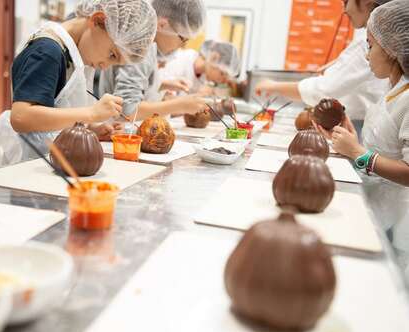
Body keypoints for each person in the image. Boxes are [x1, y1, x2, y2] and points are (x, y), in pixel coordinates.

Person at [0, 0, 157, 166]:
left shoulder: (74, 55)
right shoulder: (47, 51)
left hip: (53, 162)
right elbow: (21, 117)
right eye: (112, 55)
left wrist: (87, 128)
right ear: (97, 20)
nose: (105, 66)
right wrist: (91, 113)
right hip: (30, 166)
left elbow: (56, 110)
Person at [315, 0, 409, 262]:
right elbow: (382, 149)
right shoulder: (392, 92)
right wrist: (351, 144)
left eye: (370, 45)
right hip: (377, 209)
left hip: (400, 224)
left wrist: (359, 153)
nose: (366, 55)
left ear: (391, 49)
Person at [255, 0, 393, 125]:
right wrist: (339, 65)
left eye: (346, 2)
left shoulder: (364, 42)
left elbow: (324, 89)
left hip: (361, 127)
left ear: (366, 2)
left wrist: (272, 86)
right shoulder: (370, 40)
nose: (344, 10)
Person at [98, 0, 208, 120]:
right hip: (118, 134)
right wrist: (179, 105)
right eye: (183, 38)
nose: (182, 46)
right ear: (162, 25)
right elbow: (126, 110)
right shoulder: (140, 46)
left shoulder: (150, 45)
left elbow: (136, 86)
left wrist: (161, 85)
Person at [159, 39, 241, 97]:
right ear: (214, 57)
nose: (222, 81)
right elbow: (164, 102)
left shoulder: (203, 77)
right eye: (222, 74)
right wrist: (197, 96)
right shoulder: (179, 60)